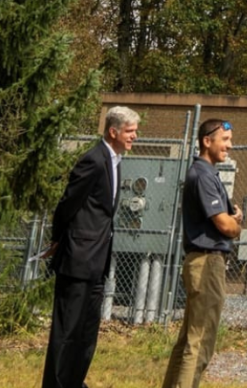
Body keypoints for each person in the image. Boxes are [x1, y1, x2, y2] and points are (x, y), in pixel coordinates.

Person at [42, 106, 140, 388]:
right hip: (78, 260)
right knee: (67, 331)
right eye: (130, 132)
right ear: (113, 131)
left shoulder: (115, 161)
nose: (135, 137)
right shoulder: (94, 161)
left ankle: (75, 381)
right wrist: (57, 240)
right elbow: (68, 204)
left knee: (87, 332)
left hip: (98, 261)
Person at [162, 119, 244, 388]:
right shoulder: (203, 175)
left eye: (230, 140)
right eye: (225, 140)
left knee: (189, 338)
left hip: (203, 260)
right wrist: (237, 225)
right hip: (207, 262)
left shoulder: (206, 173)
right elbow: (223, 224)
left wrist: (233, 220)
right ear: (207, 141)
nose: (229, 146)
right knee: (200, 342)